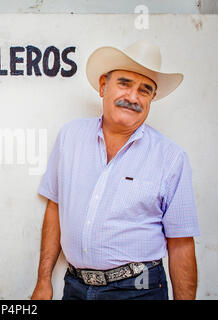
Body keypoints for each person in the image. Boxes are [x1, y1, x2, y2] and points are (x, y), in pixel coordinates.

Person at [31, 41, 200, 300]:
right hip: (75, 287)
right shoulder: (70, 137)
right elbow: (54, 207)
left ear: (152, 98)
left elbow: (181, 244)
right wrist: (43, 280)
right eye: (124, 84)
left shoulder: (170, 157)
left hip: (139, 290)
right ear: (103, 86)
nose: (133, 97)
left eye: (145, 90)